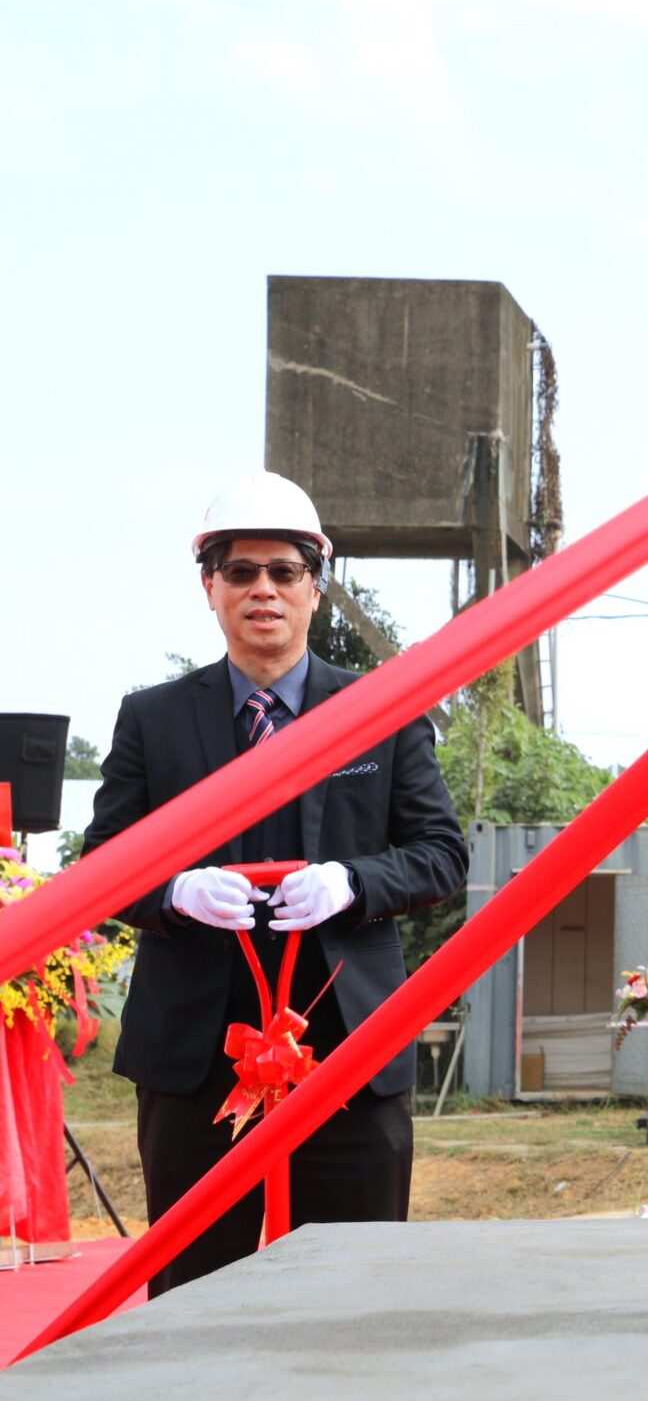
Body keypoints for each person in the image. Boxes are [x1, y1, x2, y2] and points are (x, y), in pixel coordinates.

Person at [83, 473, 467, 1293]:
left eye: (284, 571)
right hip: (197, 1054)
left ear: (317, 588)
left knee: (355, 1287)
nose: (263, 590)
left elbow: (441, 854)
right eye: (241, 571)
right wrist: (176, 892)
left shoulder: (381, 710)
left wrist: (353, 882)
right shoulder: (151, 719)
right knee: (192, 1289)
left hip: (346, 1047)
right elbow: (103, 865)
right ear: (209, 588)